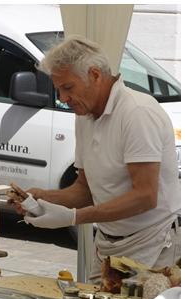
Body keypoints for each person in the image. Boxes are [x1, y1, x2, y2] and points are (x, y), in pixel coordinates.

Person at [11, 35, 180, 283]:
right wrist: (43, 198)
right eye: (59, 89)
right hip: (108, 245)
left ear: (95, 75)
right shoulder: (85, 115)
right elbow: (85, 189)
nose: (62, 98)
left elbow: (145, 196)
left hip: (153, 244)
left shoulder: (137, 112)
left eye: (68, 88)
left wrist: (74, 217)